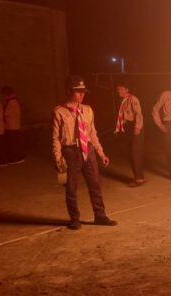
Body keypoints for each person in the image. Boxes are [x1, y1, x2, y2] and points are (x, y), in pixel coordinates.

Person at [52, 76, 117, 230]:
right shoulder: (59, 111)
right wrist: (58, 158)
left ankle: (100, 215)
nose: (82, 95)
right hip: (71, 151)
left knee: (95, 184)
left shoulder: (87, 110)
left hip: (88, 149)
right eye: (78, 91)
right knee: (71, 186)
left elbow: (92, 133)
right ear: (69, 91)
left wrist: (101, 153)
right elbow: (55, 137)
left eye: (83, 91)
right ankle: (74, 218)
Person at [114, 80, 146, 187]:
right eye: (118, 89)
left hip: (136, 126)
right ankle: (138, 176)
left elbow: (138, 114)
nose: (119, 91)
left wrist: (137, 127)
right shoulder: (122, 100)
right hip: (128, 127)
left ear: (127, 90)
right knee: (129, 152)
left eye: (121, 89)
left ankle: (139, 179)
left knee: (135, 152)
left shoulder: (133, 99)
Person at [1, 86, 25, 164]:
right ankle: (16, 157)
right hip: (12, 126)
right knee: (14, 143)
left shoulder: (12, 102)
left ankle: (17, 158)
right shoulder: (13, 101)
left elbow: (6, 113)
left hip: (12, 126)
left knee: (14, 144)